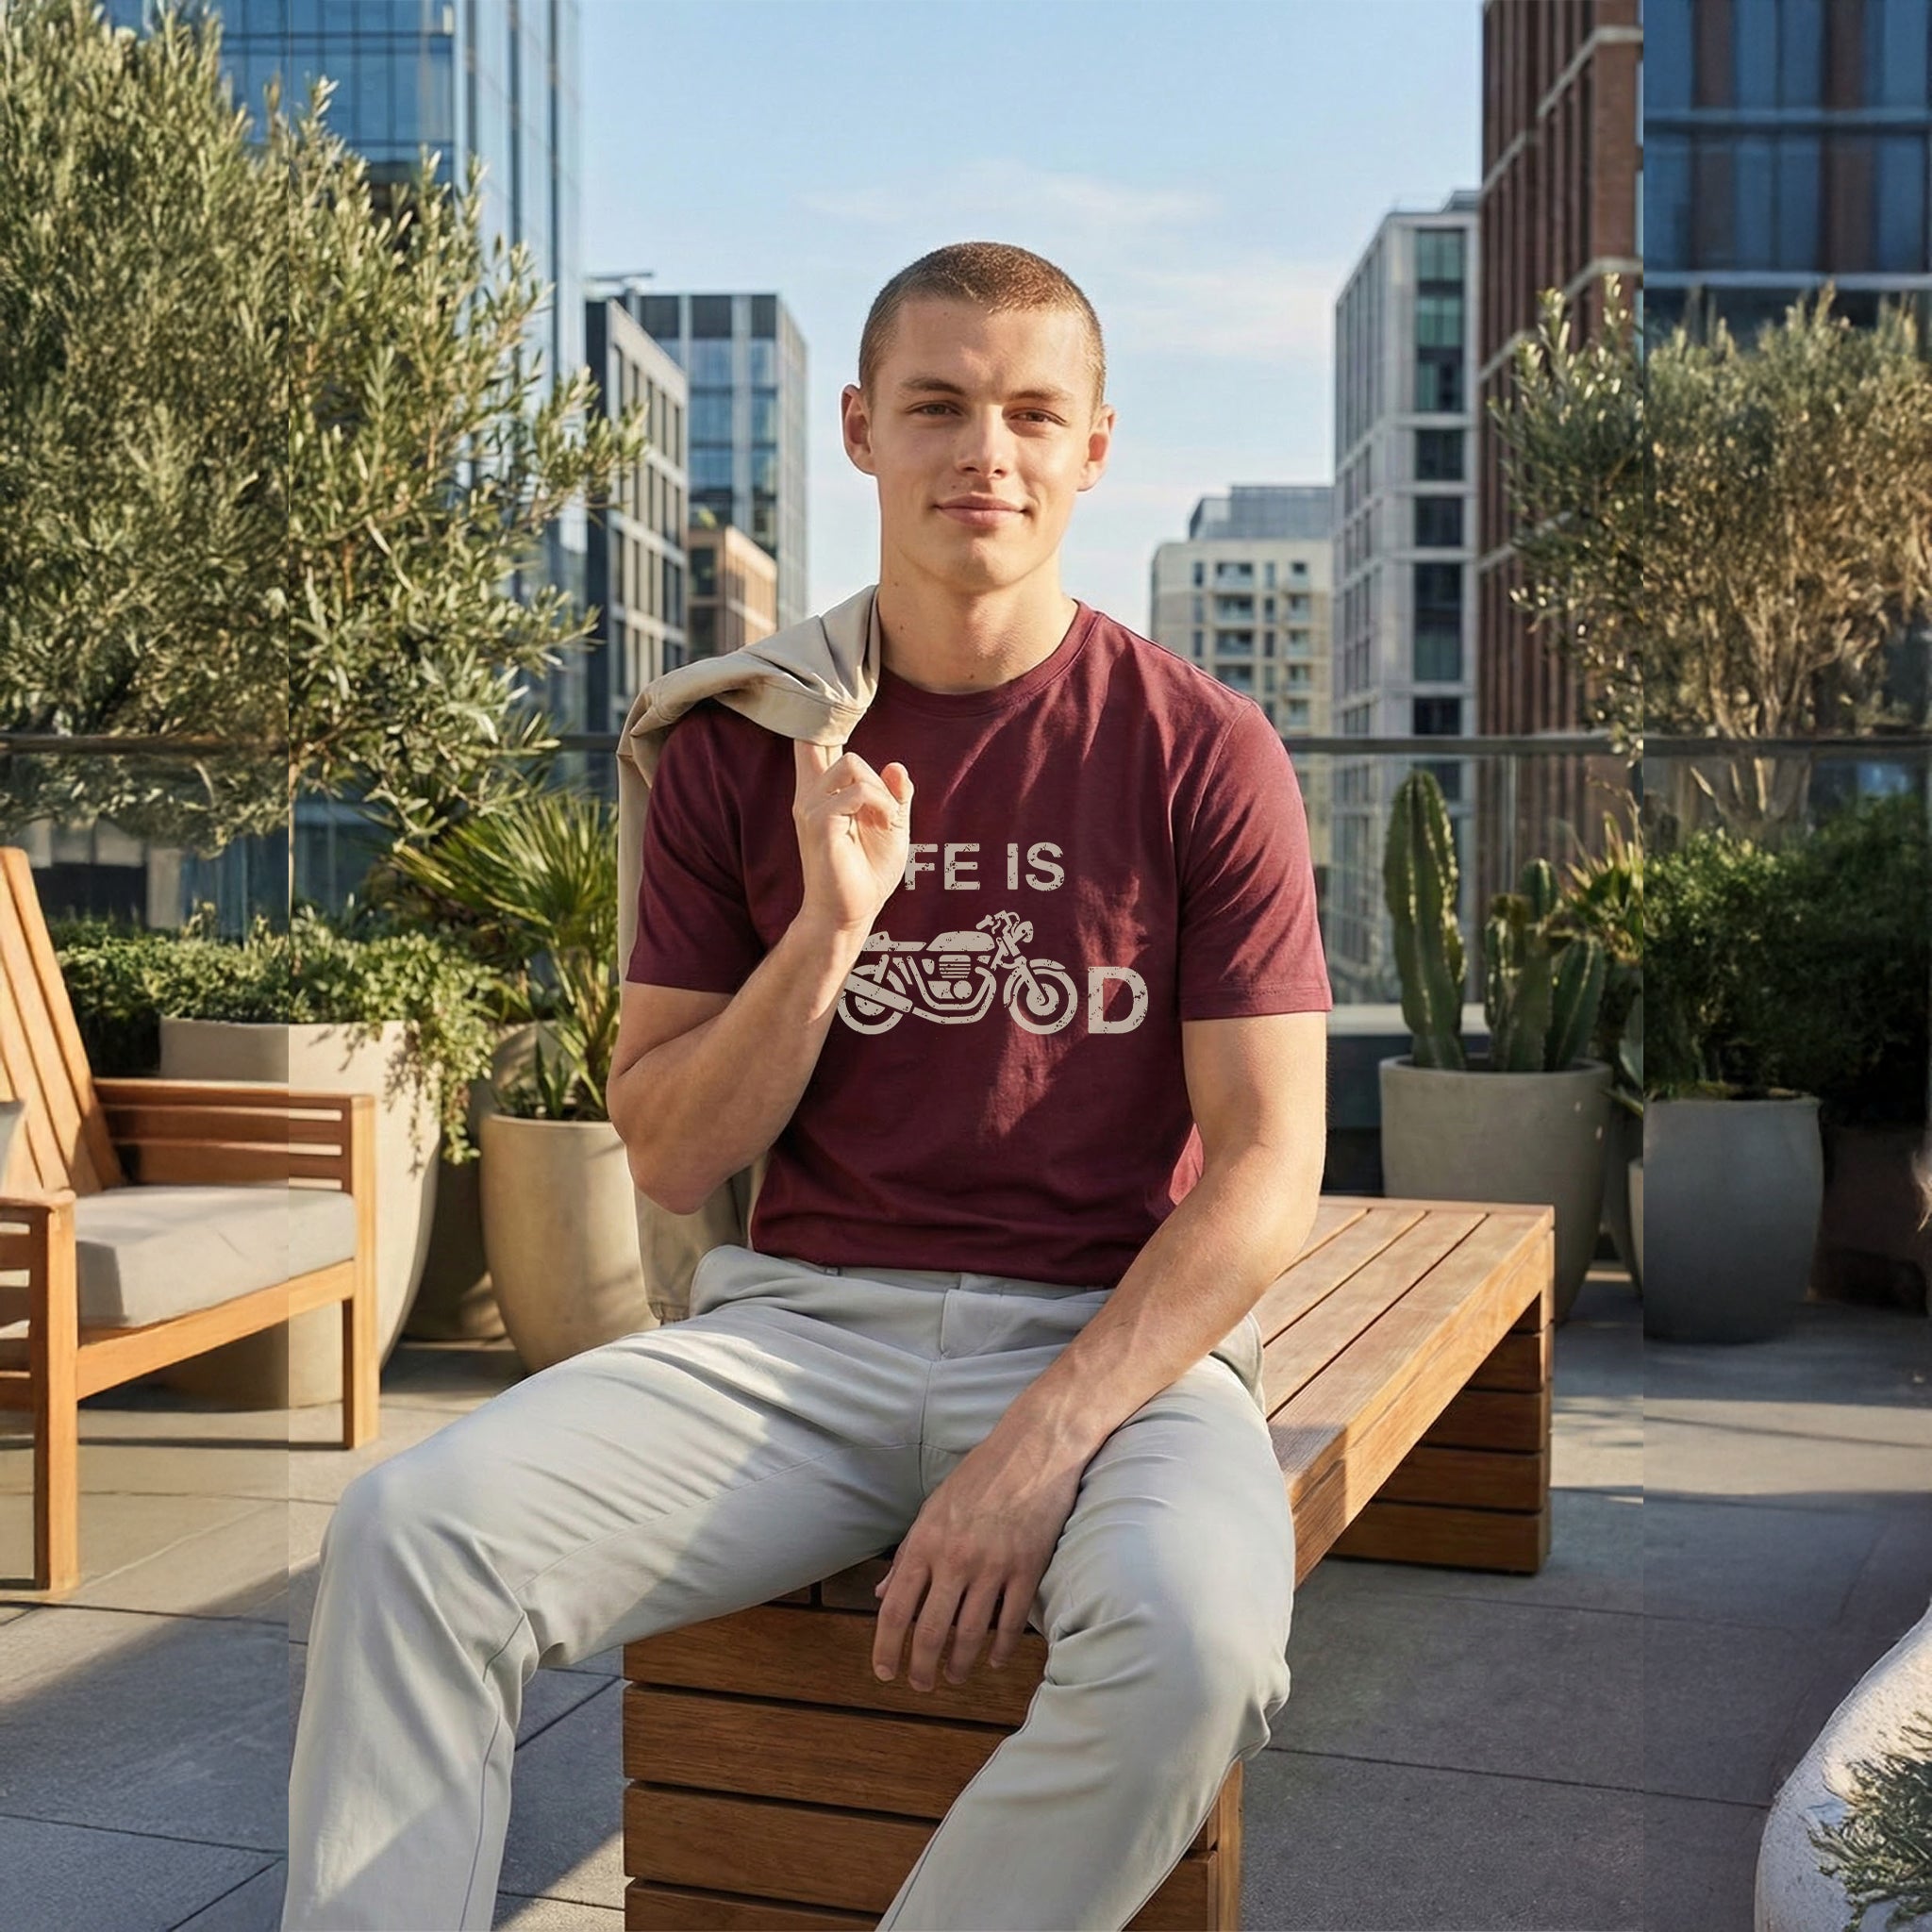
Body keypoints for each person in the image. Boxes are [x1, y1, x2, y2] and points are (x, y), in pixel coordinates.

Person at [281, 240, 1333, 1932]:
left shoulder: (1200, 749)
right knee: (412, 1536)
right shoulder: (739, 743)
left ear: (1093, 449)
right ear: (860, 428)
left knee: (1198, 1642)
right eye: (937, 405)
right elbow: (675, 1144)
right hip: (798, 1338)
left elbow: (1272, 1169)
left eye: (1029, 414)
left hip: (1113, 1354)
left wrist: (1037, 1448)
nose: (983, 451)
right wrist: (826, 936)